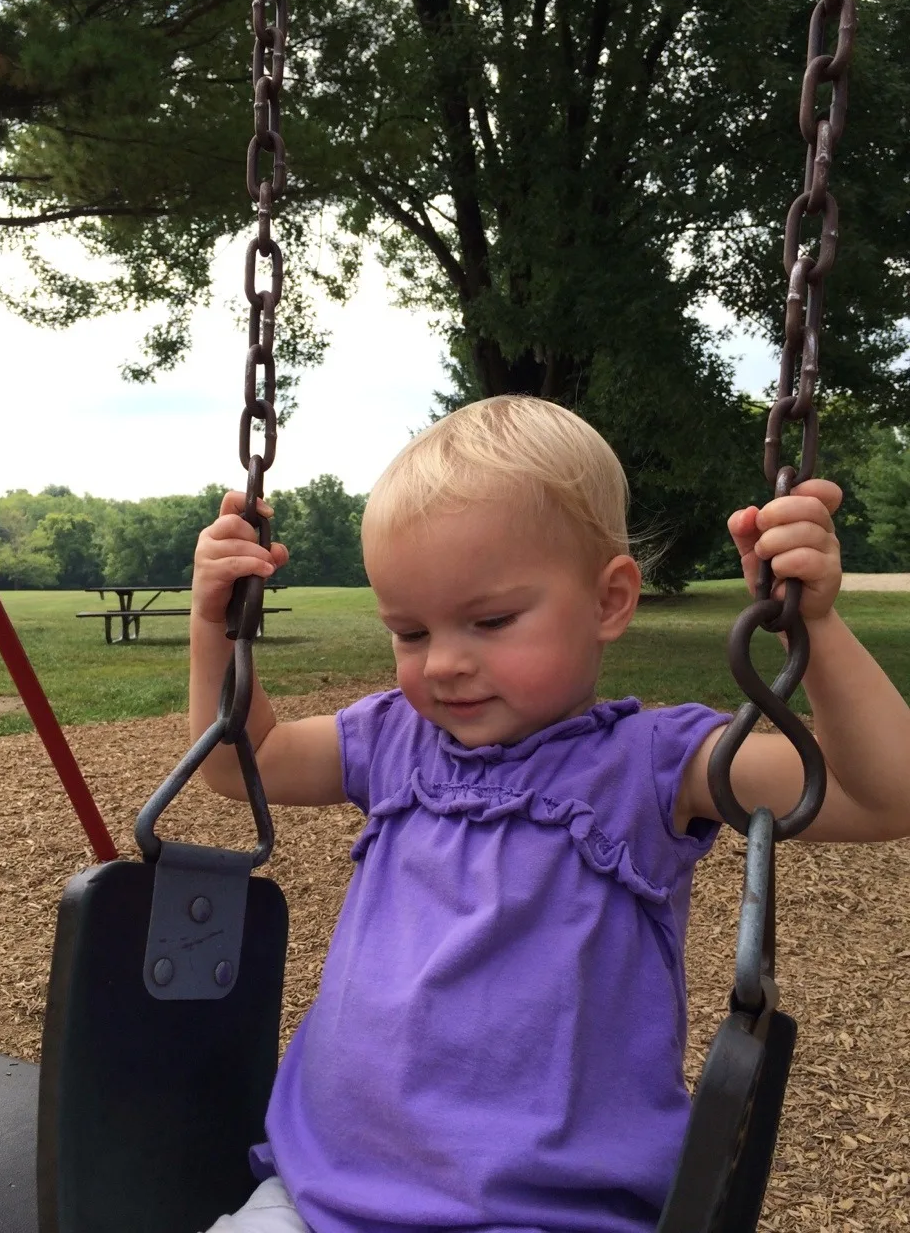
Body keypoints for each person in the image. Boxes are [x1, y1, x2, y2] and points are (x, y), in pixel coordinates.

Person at [190, 396, 910, 1233]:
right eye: (410, 631)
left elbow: (879, 795)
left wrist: (812, 625)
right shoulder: (393, 738)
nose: (447, 663)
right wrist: (217, 623)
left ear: (610, 601)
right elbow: (239, 761)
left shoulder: (654, 765)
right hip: (318, 1194)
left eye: (491, 621)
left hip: (546, 1210)